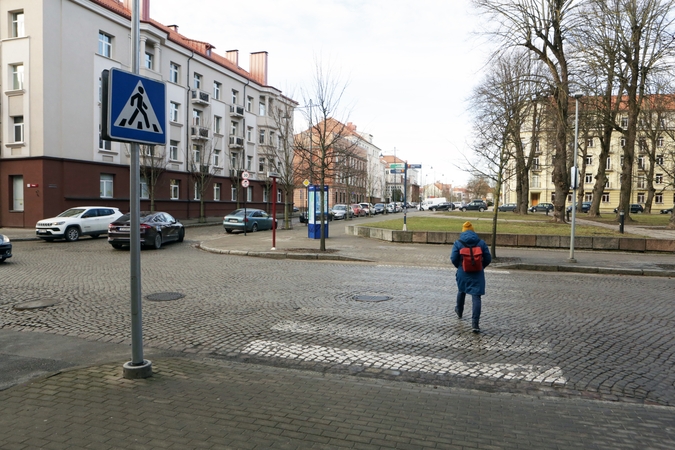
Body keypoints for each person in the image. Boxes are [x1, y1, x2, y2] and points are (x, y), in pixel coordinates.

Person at [450, 221, 491, 333]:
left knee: (461, 290)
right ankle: (475, 324)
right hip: (478, 273)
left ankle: (459, 311)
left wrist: (460, 267)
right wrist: (481, 266)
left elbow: (453, 258)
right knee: (476, 297)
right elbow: (488, 258)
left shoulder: (458, 243)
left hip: (462, 272)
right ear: (473, 231)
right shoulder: (481, 243)